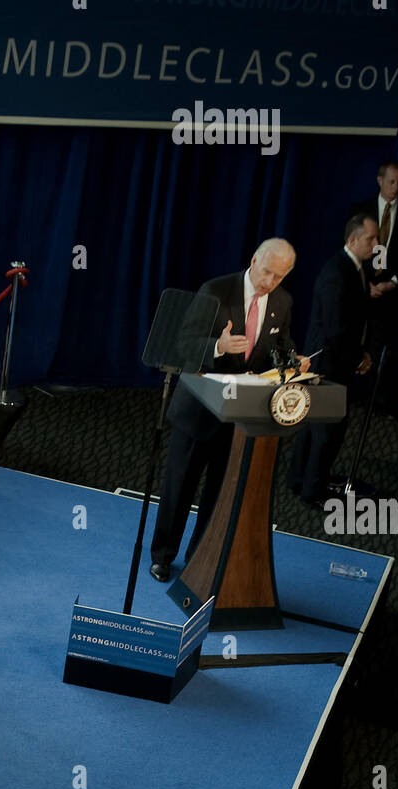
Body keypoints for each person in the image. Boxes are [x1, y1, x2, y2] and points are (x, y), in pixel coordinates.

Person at [149, 237, 306, 580]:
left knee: (219, 495)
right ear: (253, 261)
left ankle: (199, 557)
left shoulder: (282, 301)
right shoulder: (216, 291)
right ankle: (162, 555)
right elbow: (185, 344)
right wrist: (217, 345)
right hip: (198, 411)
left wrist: (296, 360)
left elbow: (282, 345)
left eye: (279, 277)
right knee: (180, 486)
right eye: (266, 273)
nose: (269, 283)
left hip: (240, 417)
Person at [289, 216, 378, 508]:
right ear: (353, 240)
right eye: (371, 239)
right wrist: (358, 359)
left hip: (338, 359)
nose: (376, 244)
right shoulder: (336, 273)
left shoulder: (354, 269)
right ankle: (312, 490)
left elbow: (353, 322)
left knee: (317, 426)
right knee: (327, 429)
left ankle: (302, 478)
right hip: (329, 364)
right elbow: (335, 328)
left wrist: (361, 351)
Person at [352, 160, 398, 417]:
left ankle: (379, 407)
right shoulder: (361, 210)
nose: (396, 187)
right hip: (361, 291)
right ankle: (346, 395)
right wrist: (363, 282)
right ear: (380, 180)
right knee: (353, 340)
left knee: (387, 350)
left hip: (391, 295)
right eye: (391, 181)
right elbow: (349, 250)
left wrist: (391, 283)